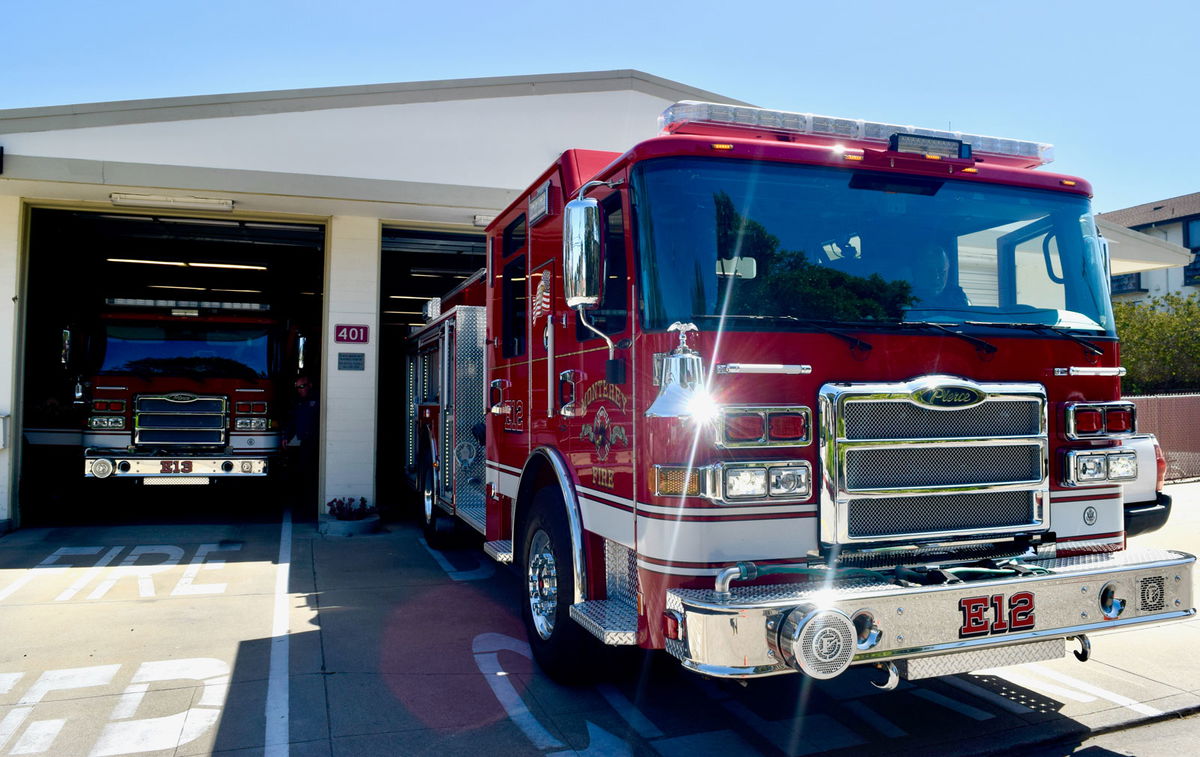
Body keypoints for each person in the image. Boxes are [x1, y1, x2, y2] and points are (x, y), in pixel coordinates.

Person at [909, 243, 969, 308]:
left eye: (942, 271)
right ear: (916, 272)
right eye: (930, 271)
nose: (936, 277)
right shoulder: (905, 297)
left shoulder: (956, 296)